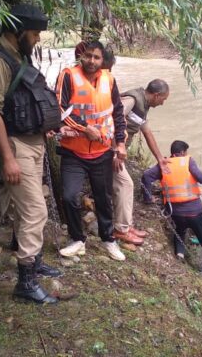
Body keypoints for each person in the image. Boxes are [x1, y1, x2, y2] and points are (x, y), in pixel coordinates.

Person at [0, 2, 62, 304]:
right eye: (34, 34)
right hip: (13, 143)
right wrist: (8, 157)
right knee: (36, 209)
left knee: (7, 198)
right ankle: (26, 278)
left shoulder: (18, 54)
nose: (37, 40)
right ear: (18, 30)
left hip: (31, 140)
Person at [56, 41, 128, 261]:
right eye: (88, 56)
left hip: (102, 151)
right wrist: (84, 129)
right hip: (73, 151)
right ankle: (77, 239)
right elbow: (59, 108)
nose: (91, 61)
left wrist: (121, 143)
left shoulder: (109, 79)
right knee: (69, 196)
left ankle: (108, 239)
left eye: (96, 57)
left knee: (104, 198)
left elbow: (117, 112)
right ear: (81, 56)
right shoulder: (68, 75)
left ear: (102, 60)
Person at [141, 140, 202, 272]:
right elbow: (201, 177)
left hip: (175, 213)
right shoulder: (188, 161)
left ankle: (180, 254)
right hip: (195, 212)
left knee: (180, 230)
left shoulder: (164, 164)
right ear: (183, 152)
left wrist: (148, 198)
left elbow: (146, 176)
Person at [111, 76, 171, 247]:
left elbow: (147, 133)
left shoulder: (143, 106)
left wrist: (160, 159)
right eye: (163, 99)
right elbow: (113, 117)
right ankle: (121, 230)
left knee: (124, 186)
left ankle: (126, 226)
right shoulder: (132, 100)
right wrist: (116, 149)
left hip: (117, 152)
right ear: (157, 95)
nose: (163, 103)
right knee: (126, 185)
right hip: (110, 151)